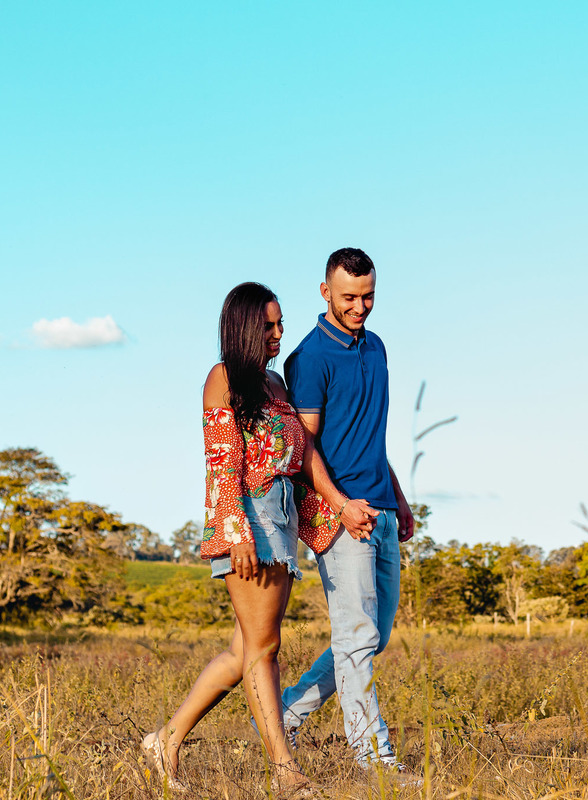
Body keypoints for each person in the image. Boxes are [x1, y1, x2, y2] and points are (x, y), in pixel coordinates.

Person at [142, 282, 356, 796]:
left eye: (280, 324)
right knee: (265, 649)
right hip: (250, 519)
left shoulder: (277, 385)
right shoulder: (222, 380)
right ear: (243, 327)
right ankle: (284, 769)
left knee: (245, 650)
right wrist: (237, 533)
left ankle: (163, 740)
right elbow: (222, 463)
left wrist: (339, 510)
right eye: (268, 325)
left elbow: (302, 458)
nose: (279, 333)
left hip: (281, 518)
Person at [279, 247, 417, 777]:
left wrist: (396, 498)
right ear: (324, 294)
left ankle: (288, 711)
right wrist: (342, 506)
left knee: (373, 637)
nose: (360, 307)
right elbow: (305, 448)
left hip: (380, 508)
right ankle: (374, 760)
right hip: (342, 519)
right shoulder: (310, 358)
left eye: (369, 296)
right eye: (349, 298)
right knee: (356, 639)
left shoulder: (376, 347)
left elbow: (369, 435)